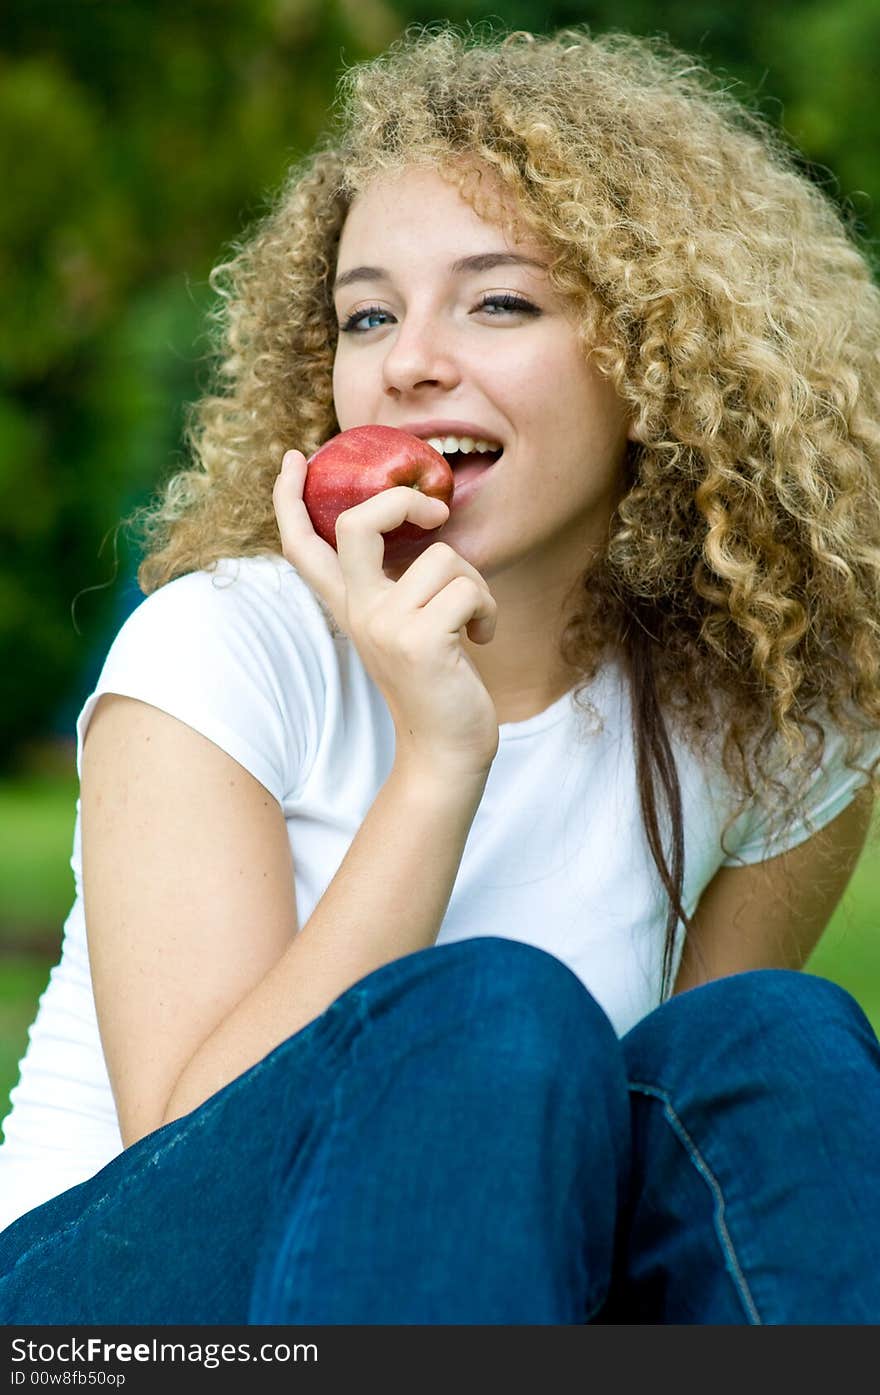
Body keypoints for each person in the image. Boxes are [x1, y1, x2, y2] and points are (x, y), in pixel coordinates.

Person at [1, 21, 880, 1325]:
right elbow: (189, 1144)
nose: (408, 359)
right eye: (368, 313)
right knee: (489, 1008)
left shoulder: (773, 724)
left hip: (479, 1289)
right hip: (116, 1318)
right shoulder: (225, 647)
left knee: (781, 1042)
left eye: (500, 299)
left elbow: (689, 1179)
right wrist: (441, 759)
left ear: (652, 366)